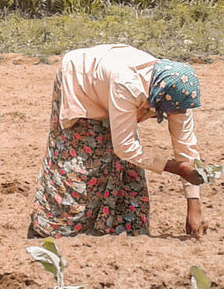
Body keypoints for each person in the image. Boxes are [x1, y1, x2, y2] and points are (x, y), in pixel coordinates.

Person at [29, 44, 209, 238]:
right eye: (174, 111)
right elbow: (125, 147)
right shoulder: (129, 84)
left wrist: (194, 203)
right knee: (81, 167)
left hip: (108, 86)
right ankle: (56, 230)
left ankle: (121, 231)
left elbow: (186, 148)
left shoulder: (177, 94)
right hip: (80, 82)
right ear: (160, 98)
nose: (178, 114)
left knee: (125, 168)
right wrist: (176, 168)